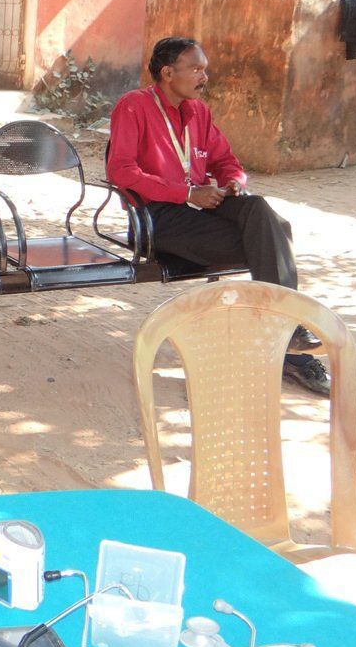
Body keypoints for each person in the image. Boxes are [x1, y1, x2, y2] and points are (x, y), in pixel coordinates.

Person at [107, 37, 331, 396]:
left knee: (258, 209)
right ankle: (287, 341)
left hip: (201, 207)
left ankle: (284, 336)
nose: (204, 76)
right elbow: (121, 171)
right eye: (196, 69)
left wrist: (234, 183)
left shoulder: (198, 112)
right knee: (277, 235)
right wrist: (185, 193)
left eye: (205, 69)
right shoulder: (134, 105)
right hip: (156, 218)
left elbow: (226, 161)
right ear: (168, 73)